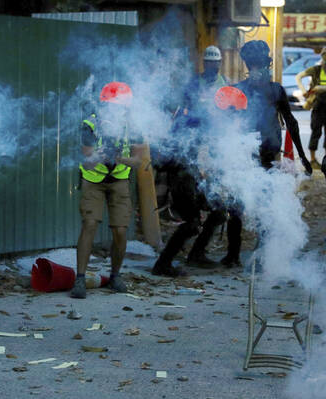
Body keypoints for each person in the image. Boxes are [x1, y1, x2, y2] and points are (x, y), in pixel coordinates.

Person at [216, 40, 310, 268]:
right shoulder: (241, 90)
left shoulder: (275, 90)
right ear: (250, 65)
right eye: (256, 65)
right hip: (245, 156)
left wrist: (303, 156)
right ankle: (234, 254)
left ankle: (260, 254)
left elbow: (292, 123)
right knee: (237, 206)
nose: (260, 69)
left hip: (268, 157)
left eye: (262, 64)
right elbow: (227, 124)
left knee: (265, 206)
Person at [151, 46, 227, 276]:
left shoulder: (207, 118)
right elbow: (183, 153)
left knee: (219, 212)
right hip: (183, 176)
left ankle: (196, 254)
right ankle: (162, 265)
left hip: (193, 174)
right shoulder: (189, 119)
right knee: (192, 223)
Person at [72, 82, 142, 298]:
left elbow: (138, 162)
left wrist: (118, 158)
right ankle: (80, 279)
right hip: (93, 179)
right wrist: (101, 156)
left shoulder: (135, 126)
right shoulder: (90, 124)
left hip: (119, 179)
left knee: (120, 230)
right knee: (90, 223)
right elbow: (87, 160)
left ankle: (115, 276)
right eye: (111, 105)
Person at [296, 46, 326, 168]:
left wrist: (318, 88)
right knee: (315, 132)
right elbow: (299, 77)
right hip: (317, 105)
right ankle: (312, 160)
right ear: (322, 56)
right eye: (325, 55)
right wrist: (303, 91)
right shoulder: (315, 69)